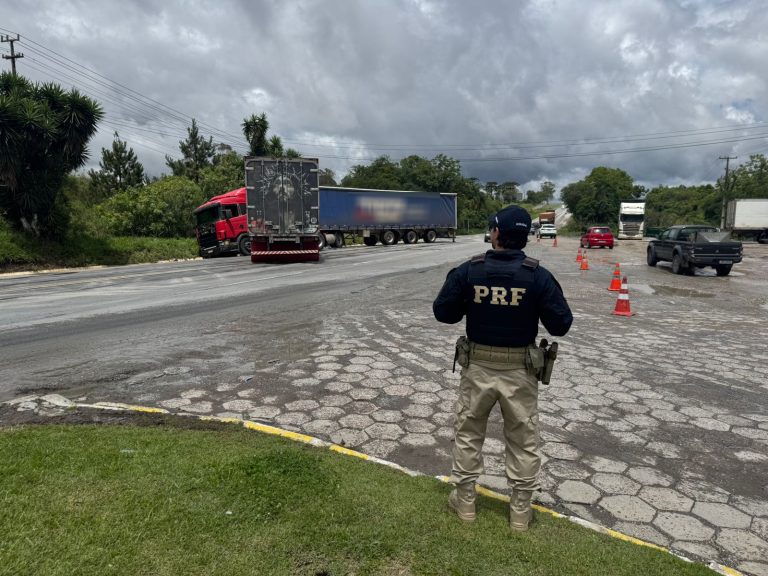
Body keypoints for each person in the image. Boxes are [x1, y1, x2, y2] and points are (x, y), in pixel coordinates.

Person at [432, 205, 573, 531]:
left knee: (469, 433)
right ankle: (520, 513)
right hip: (521, 372)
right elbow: (561, 324)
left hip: (478, 367)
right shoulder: (537, 275)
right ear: (525, 236)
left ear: (495, 233)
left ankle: (465, 503)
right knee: (523, 439)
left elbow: (443, 312)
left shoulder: (470, 271)